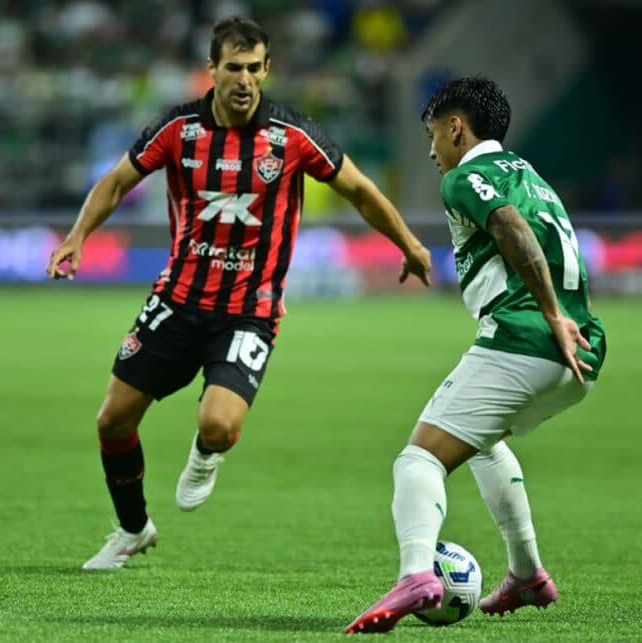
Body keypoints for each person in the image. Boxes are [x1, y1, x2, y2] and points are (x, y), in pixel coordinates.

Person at [45, 17, 431, 570]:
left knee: (219, 426)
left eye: (254, 68)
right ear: (212, 70)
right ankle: (132, 529)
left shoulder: (292, 136)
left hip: (249, 311)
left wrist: (409, 244)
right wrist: (78, 237)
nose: (244, 79)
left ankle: (206, 454)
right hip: (178, 300)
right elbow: (116, 182)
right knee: (112, 421)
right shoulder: (178, 130)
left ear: (267, 69)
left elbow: (361, 191)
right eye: (233, 68)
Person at [346, 77, 607, 634]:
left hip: (529, 338)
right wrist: (563, 319)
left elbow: (511, 229)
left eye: (433, 135)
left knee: (418, 459)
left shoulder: (466, 176)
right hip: (582, 352)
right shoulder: (527, 174)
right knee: (483, 443)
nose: (432, 150)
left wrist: (549, 314)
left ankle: (416, 574)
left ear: (456, 127)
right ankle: (527, 574)